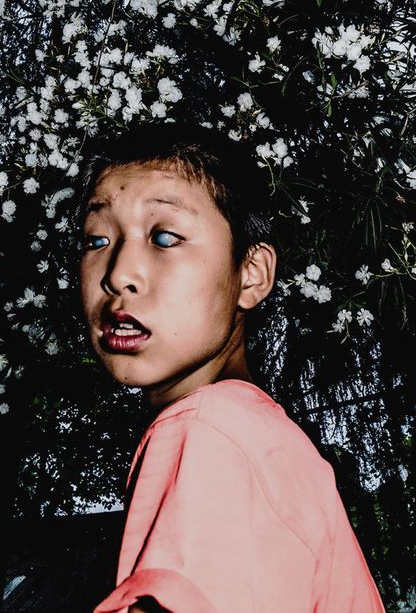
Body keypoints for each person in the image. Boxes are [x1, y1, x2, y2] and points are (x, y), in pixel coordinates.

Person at [76, 121, 385, 613]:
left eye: (165, 237)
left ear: (251, 274)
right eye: (97, 241)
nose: (118, 275)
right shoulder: (262, 441)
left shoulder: (210, 430)